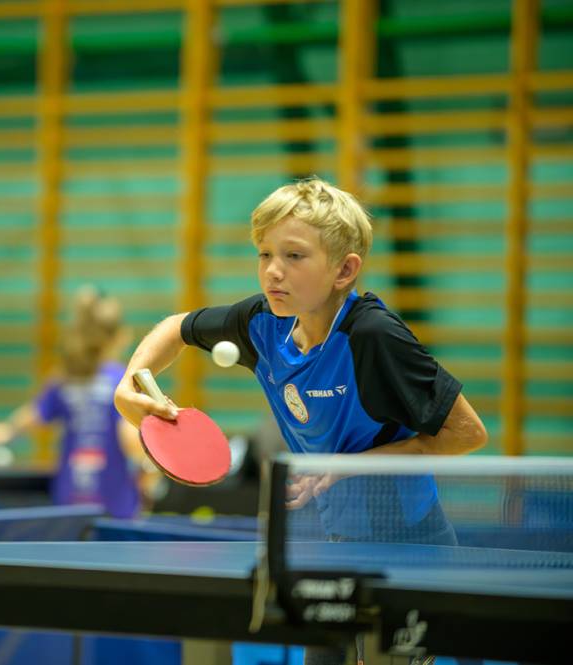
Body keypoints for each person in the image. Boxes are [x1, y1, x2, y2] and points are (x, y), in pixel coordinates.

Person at [113, 177, 488, 664]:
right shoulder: (263, 325)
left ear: (344, 270)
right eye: (265, 254)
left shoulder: (373, 337)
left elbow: (467, 433)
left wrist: (353, 466)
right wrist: (129, 383)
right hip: (331, 544)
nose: (273, 271)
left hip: (407, 546)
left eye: (294, 256)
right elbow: (176, 327)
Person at [0, 286, 156, 518]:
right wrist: (151, 466)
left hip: (70, 499)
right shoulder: (121, 381)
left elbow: (34, 415)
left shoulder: (65, 378)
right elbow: (130, 439)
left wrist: (7, 430)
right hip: (114, 503)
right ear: (121, 337)